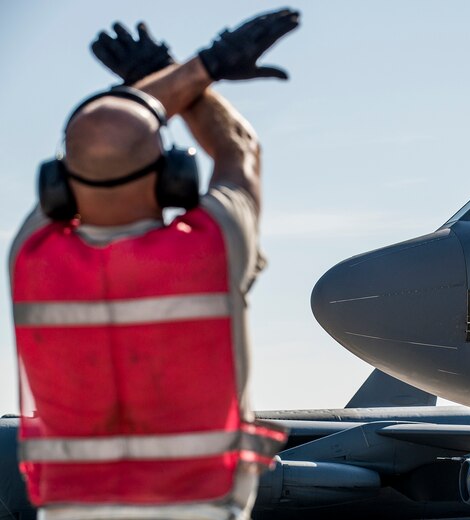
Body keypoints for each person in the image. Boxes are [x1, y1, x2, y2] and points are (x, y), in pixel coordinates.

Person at [9, 9, 299, 520]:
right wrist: (196, 70)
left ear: (56, 185)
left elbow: (93, 152)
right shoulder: (211, 248)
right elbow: (240, 150)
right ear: (175, 176)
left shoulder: (30, 261)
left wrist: (170, 80)